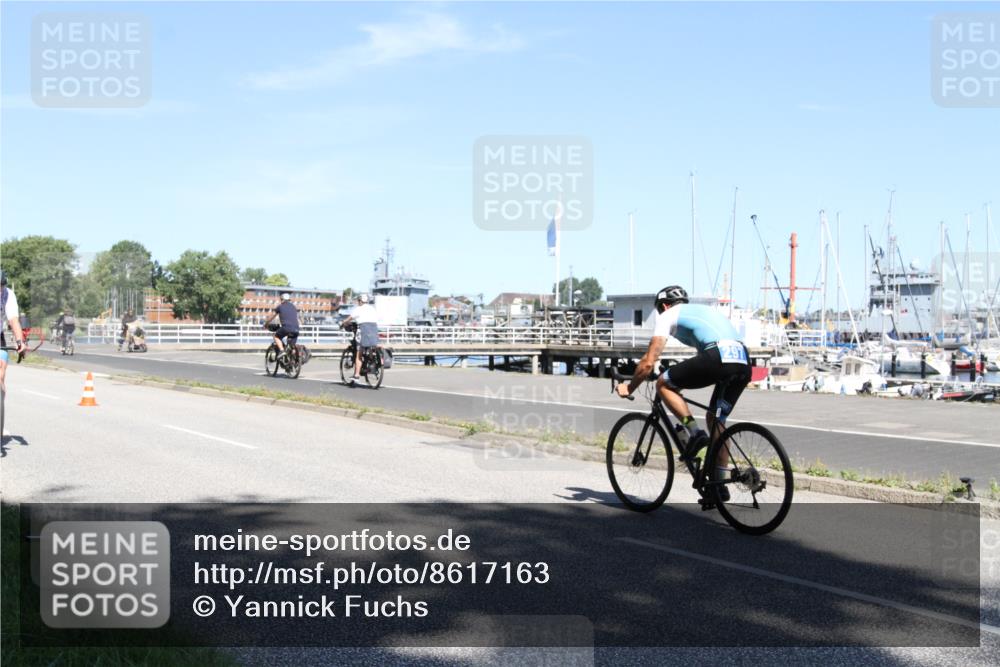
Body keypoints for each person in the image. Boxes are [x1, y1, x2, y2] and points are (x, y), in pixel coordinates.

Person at [616, 286, 752, 498]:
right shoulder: (700, 313)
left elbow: (648, 362)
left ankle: (694, 433)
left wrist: (630, 386)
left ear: (664, 305)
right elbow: (703, 359)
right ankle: (719, 483)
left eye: (660, 310)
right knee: (716, 418)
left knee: (663, 384)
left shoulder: (668, 314)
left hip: (718, 356)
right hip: (742, 361)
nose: (660, 315)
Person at [340, 294, 379, 383]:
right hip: (373, 330)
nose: (358, 302)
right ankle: (371, 362)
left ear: (360, 301)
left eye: (358, 301)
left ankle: (356, 375)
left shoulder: (358, 309)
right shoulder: (372, 308)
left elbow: (349, 318)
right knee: (370, 347)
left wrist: (343, 323)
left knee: (359, 353)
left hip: (363, 330)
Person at [0, 270, 27, 394]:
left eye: (1, 286)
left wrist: (20, 341)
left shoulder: (8, 294)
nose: (0, 290)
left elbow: (13, 320)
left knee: (1, 367)